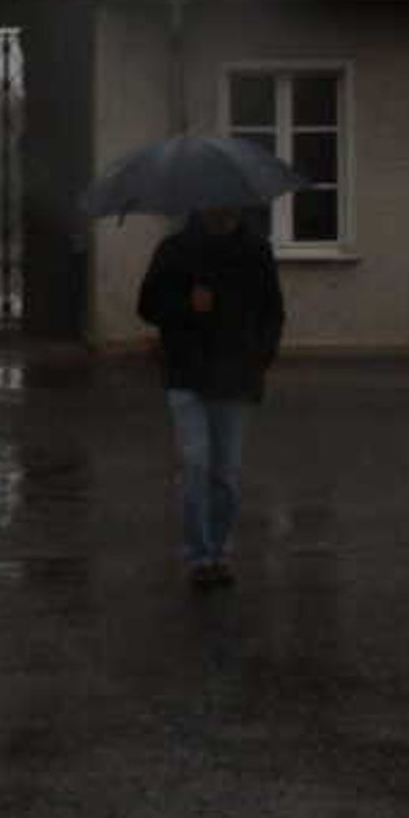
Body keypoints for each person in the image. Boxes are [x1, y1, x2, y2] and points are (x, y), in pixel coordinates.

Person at [135, 207, 284, 588]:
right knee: (196, 464)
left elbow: (273, 311)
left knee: (226, 473)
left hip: (234, 376)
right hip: (186, 375)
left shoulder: (255, 251)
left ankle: (220, 552)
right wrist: (188, 306)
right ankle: (199, 556)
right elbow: (148, 306)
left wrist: (259, 357)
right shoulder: (176, 250)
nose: (221, 211)